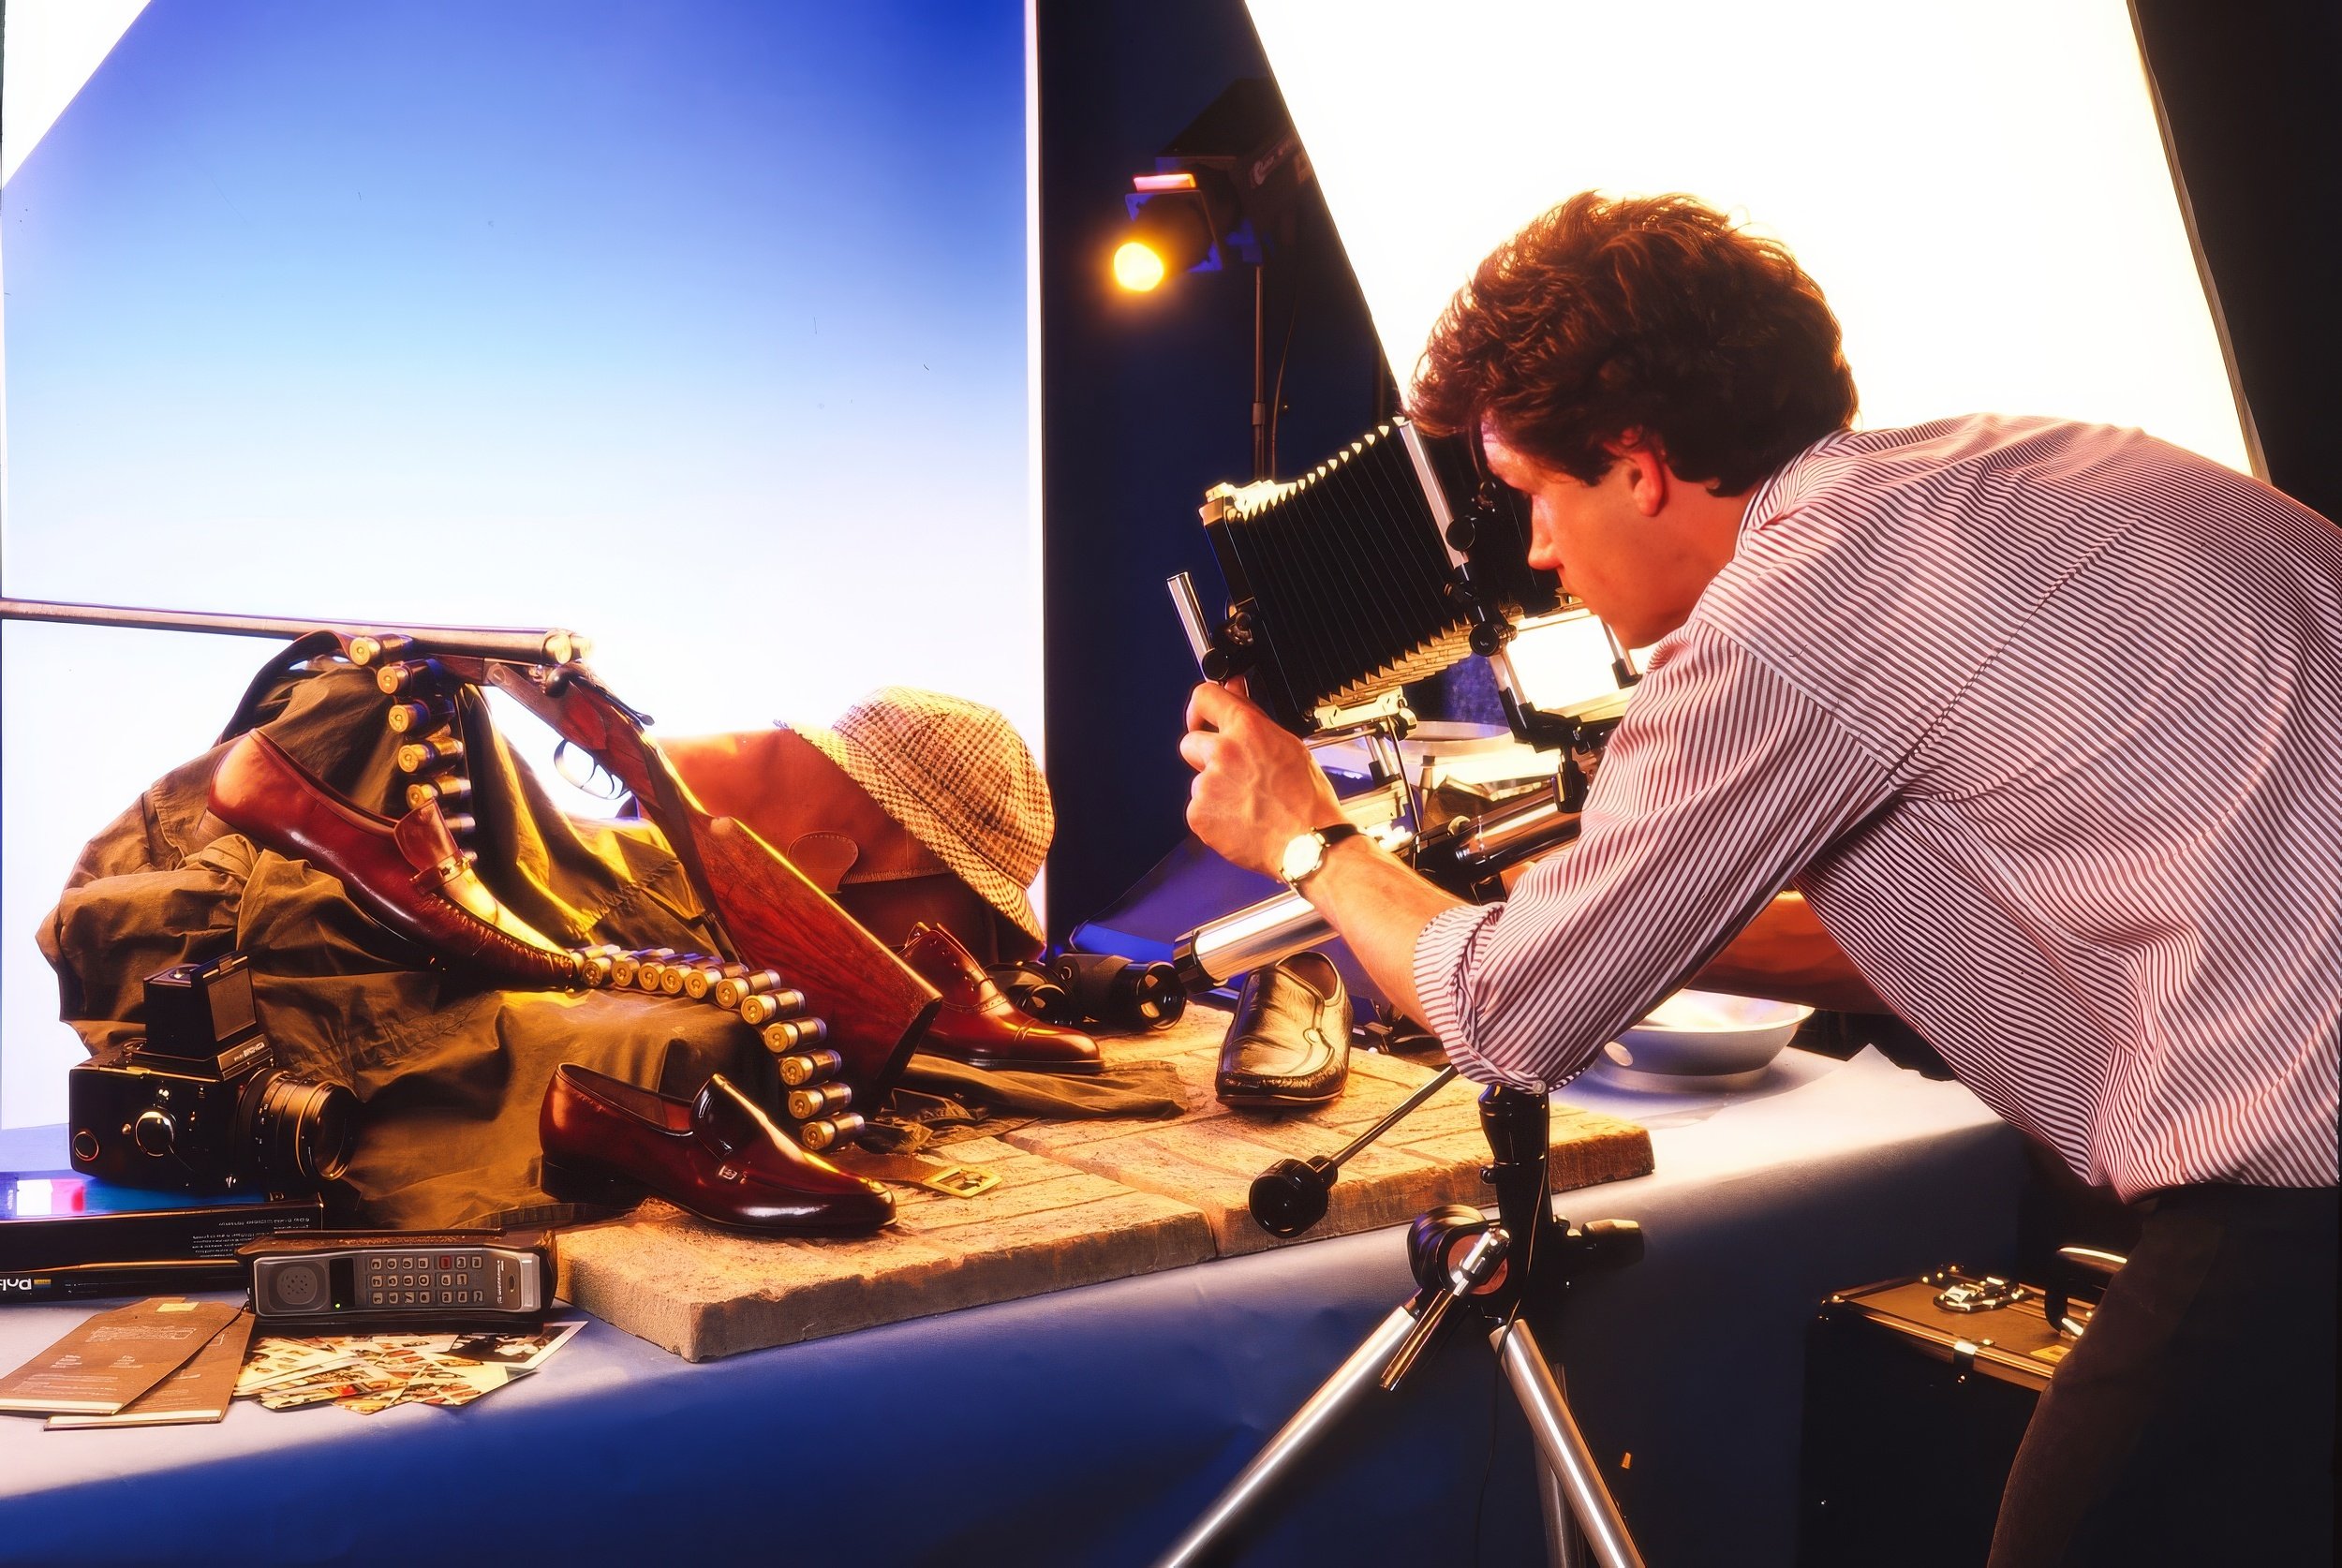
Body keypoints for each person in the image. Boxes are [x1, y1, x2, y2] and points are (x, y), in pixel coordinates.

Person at [1178, 191, 2338, 1565]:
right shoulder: (2032, 462)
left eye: (1539, 496)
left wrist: (1310, 839)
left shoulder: (1797, 607)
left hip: (2295, 1213)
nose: (1539, 550)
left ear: (1639, 461)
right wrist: (1652, 922)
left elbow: (1501, 1015)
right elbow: (2055, 911)